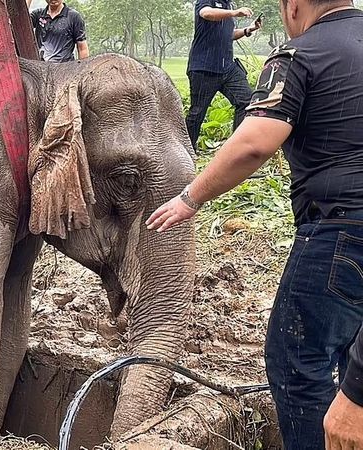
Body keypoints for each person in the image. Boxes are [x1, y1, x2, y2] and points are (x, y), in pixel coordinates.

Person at [146, 0, 363, 448]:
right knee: (346, 352)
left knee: (297, 360)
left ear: (294, 5)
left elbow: (254, 143)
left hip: (341, 231)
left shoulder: (297, 55)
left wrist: (190, 197)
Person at [186, 0, 262, 151]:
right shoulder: (208, 2)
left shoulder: (228, 5)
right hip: (204, 68)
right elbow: (206, 13)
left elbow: (229, 35)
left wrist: (249, 29)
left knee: (246, 101)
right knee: (197, 112)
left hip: (228, 67)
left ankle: (236, 150)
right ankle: (186, 152)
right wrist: (235, 13)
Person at [0, 0, 88, 62]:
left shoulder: (73, 17)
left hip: (63, 70)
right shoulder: (39, 14)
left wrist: (82, 72)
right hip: (41, 69)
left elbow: (82, 48)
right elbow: (18, 19)